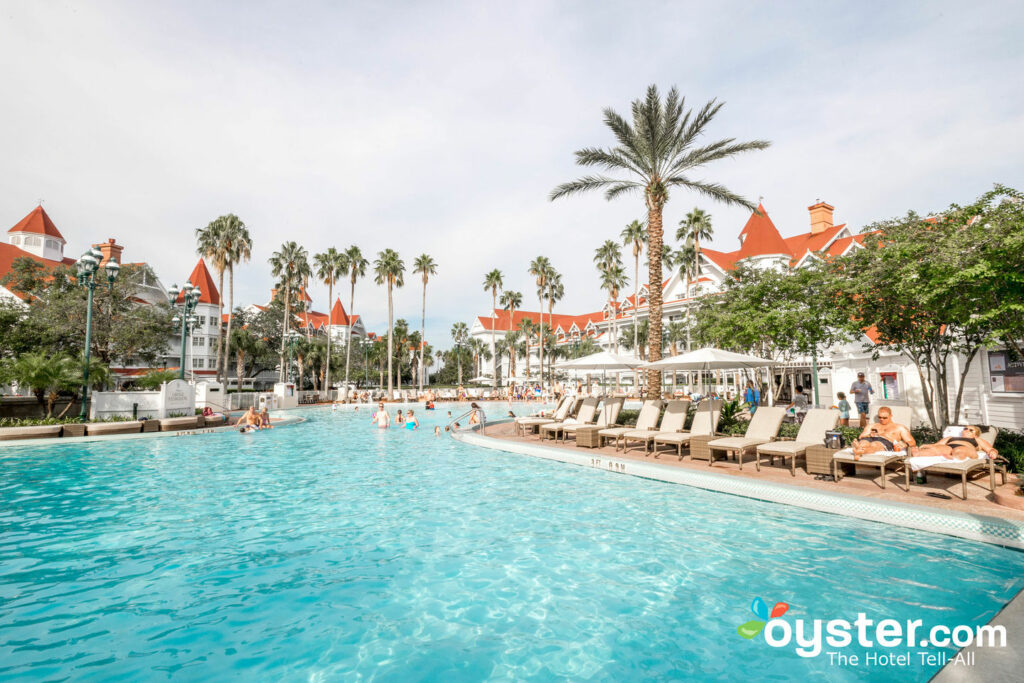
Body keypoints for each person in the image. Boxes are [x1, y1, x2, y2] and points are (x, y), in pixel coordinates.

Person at [850, 406, 916, 459]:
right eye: (880, 417)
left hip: (886, 441)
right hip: (870, 438)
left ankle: (861, 451)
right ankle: (860, 448)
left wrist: (905, 444)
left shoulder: (899, 427)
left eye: (885, 418)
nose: (881, 419)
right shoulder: (872, 425)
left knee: (875, 444)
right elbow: (861, 436)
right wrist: (869, 434)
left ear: (891, 416)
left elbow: (912, 442)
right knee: (864, 442)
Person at [910, 426, 996, 460]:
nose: (967, 430)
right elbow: (936, 445)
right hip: (950, 448)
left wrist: (993, 452)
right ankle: (919, 454)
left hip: (968, 449)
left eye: (971, 430)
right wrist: (926, 445)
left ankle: (953, 458)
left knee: (959, 449)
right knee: (941, 449)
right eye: (965, 428)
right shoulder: (951, 437)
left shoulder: (977, 439)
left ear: (975, 435)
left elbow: (990, 449)